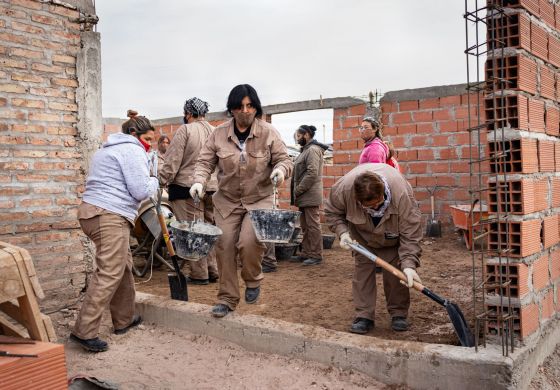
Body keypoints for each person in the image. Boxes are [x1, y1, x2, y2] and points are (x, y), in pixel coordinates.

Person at [190, 84, 293, 318]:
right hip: (227, 201)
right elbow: (204, 163)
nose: (245, 111)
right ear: (232, 109)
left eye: (249, 106)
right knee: (224, 246)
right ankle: (227, 298)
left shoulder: (269, 132)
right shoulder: (218, 134)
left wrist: (280, 170)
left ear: (256, 108)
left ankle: (253, 279)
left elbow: (284, 160)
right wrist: (198, 181)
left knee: (249, 241)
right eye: (239, 106)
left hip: (259, 199)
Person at [70, 111, 159, 352]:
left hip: (93, 213)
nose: (149, 144)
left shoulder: (106, 149)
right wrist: (155, 178)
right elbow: (141, 190)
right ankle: (84, 331)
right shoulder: (132, 150)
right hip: (109, 215)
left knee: (123, 265)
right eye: (148, 139)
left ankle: (124, 319)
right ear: (134, 133)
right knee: (110, 271)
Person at [324, 163, 422, 334]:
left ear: (383, 191)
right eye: (369, 207)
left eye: (378, 204)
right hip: (361, 236)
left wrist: (409, 265)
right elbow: (332, 212)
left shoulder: (401, 195)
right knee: (362, 272)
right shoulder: (343, 191)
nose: (376, 209)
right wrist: (343, 232)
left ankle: (399, 313)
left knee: (396, 272)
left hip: (392, 234)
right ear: (358, 200)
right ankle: (364, 315)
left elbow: (411, 232)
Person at [159, 97, 219, 284]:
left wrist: (161, 181)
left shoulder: (185, 130)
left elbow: (172, 161)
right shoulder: (216, 131)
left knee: (193, 230)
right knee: (208, 229)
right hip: (212, 188)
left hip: (186, 188)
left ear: (188, 113)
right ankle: (212, 270)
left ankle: (199, 274)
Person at [289, 125, 329, 266]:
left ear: (306, 135)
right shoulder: (305, 151)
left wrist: (299, 189)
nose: (297, 139)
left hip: (309, 195)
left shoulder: (312, 150)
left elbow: (312, 173)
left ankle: (316, 255)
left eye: (299, 136)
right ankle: (306, 252)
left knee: (313, 226)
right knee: (305, 226)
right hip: (304, 196)